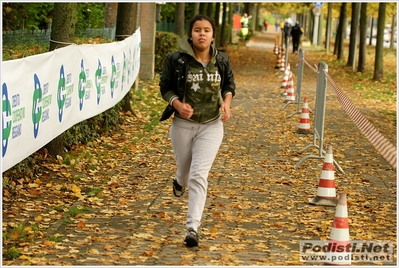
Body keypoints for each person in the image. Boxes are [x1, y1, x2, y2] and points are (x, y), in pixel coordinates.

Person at [159, 14, 236, 248]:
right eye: (197, 30)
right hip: (183, 126)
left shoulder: (221, 60)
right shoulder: (177, 60)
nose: (202, 34)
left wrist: (227, 103)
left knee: (198, 175)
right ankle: (178, 181)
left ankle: (192, 227)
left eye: (206, 30)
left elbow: (229, 85)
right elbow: (166, 87)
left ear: (212, 36)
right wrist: (178, 105)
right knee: (184, 172)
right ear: (190, 35)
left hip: (212, 125)